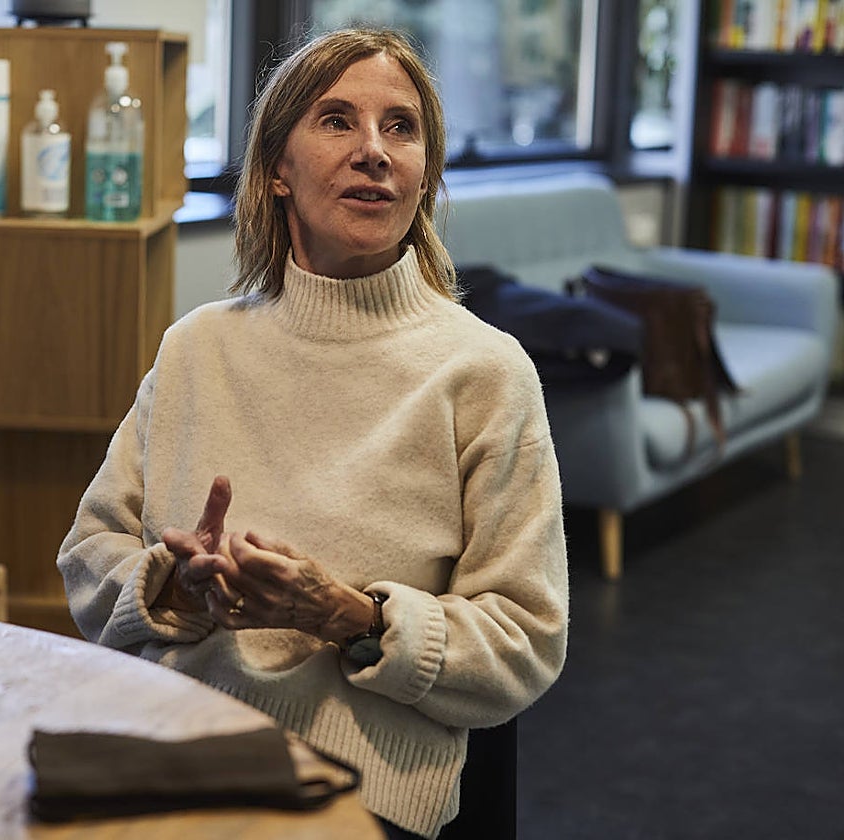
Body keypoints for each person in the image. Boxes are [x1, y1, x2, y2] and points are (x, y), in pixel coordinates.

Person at [57, 27, 568, 840]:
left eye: (401, 127)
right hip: (177, 742)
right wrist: (170, 586)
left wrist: (356, 620)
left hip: (359, 789)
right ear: (276, 172)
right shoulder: (198, 346)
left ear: (425, 174)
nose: (374, 151)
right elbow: (90, 553)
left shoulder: (485, 371)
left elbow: (525, 641)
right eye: (337, 121)